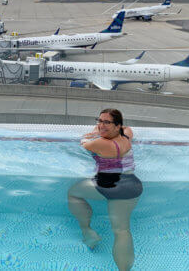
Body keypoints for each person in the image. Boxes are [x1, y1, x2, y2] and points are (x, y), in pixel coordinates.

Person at [67, 108, 142, 271]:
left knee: (73, 193)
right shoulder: (125, 137)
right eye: (99, 121)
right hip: (132, 185)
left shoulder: (101, 143)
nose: (101, 125)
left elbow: (84, 143)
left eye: (106, 122)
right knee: (122, 230)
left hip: (110, 186)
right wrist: (104, 128)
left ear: (117, 126)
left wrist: (93, 133)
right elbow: (129, 129)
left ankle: (88, 232)